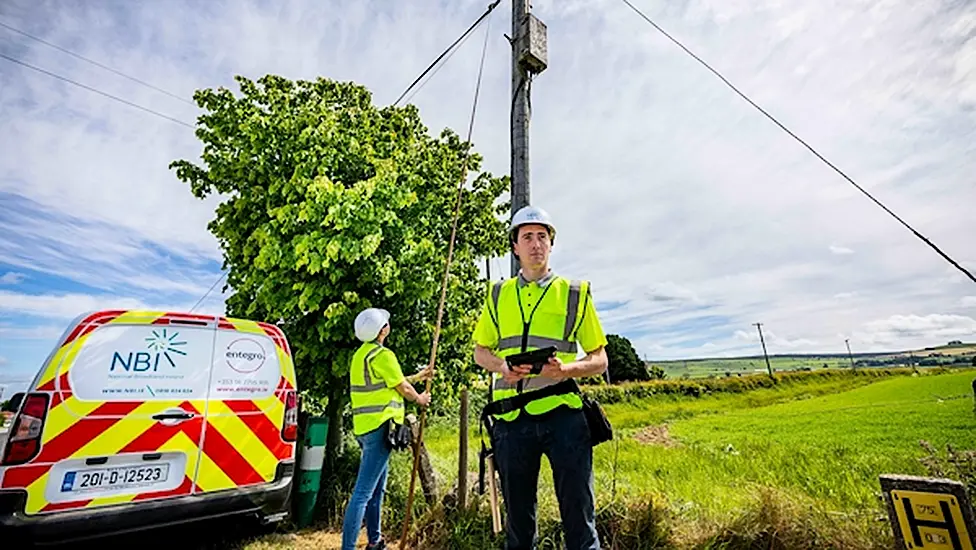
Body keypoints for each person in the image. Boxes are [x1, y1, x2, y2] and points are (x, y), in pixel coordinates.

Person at [473, 205, 609, 550]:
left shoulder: (574, 293)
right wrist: (502, 366)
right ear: (515, 247)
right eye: (527, 237)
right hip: (509, 420)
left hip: (564, 416)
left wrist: (566, 369)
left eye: (542, 237)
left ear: (551, 244)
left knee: (579, 518)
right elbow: (480, 352)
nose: (536, 244)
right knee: (518, 525)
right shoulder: (497, 294)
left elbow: (600, 359)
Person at [342, 307, 432, 550]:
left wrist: (419, 376)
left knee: (377, 489)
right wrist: (420, 399)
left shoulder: (362, 355)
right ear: (383, 330)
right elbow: (401, 388)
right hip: (381, 430)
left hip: (365, 429)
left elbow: (393, 381)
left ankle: (375, 541)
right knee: (362, 493)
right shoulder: (383, 355)